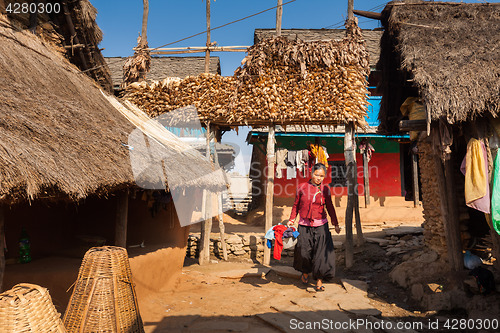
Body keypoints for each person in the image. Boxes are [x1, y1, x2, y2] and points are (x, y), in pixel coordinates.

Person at [287, 163, 340, 291]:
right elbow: (296, 205)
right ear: (311, 173)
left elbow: (330, 206)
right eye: (317, 175)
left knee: (320, 255)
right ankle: (305, 272)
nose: (319, 178)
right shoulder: (302, 188)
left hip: (321, 225)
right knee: (304, 252)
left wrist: (335, 223)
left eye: (322, 176)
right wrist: (291, 219)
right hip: (304, 225)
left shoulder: (325, 189)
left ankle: (319, 280)